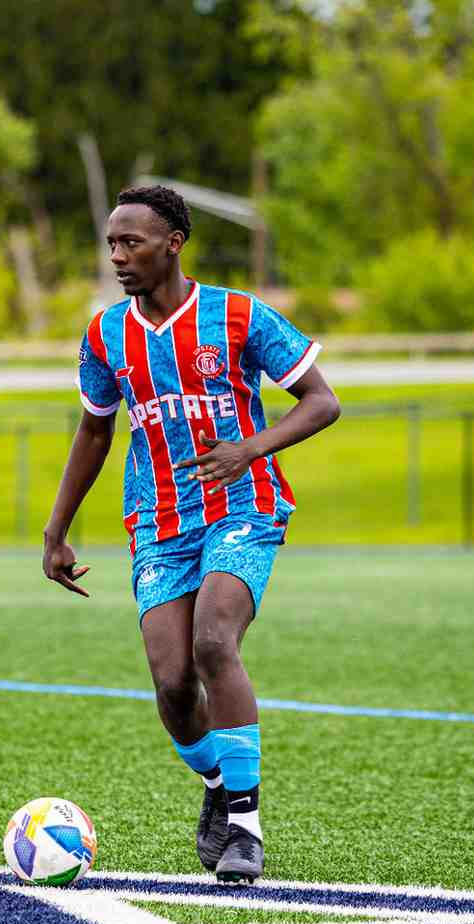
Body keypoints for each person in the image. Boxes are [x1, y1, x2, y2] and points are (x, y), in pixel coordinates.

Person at [42, 185, 340, 884]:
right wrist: (57, 530)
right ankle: (215, 781)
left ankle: (245, 826)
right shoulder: (105, 334)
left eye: (132, 242)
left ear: (174, 242)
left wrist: (250, 448)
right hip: (158, 523)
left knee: (214, 639)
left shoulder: (238, 316)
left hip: (245, 506)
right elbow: (94, 429)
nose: (119, 256)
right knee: (173, 683)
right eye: (112, 244)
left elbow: (323, 402)